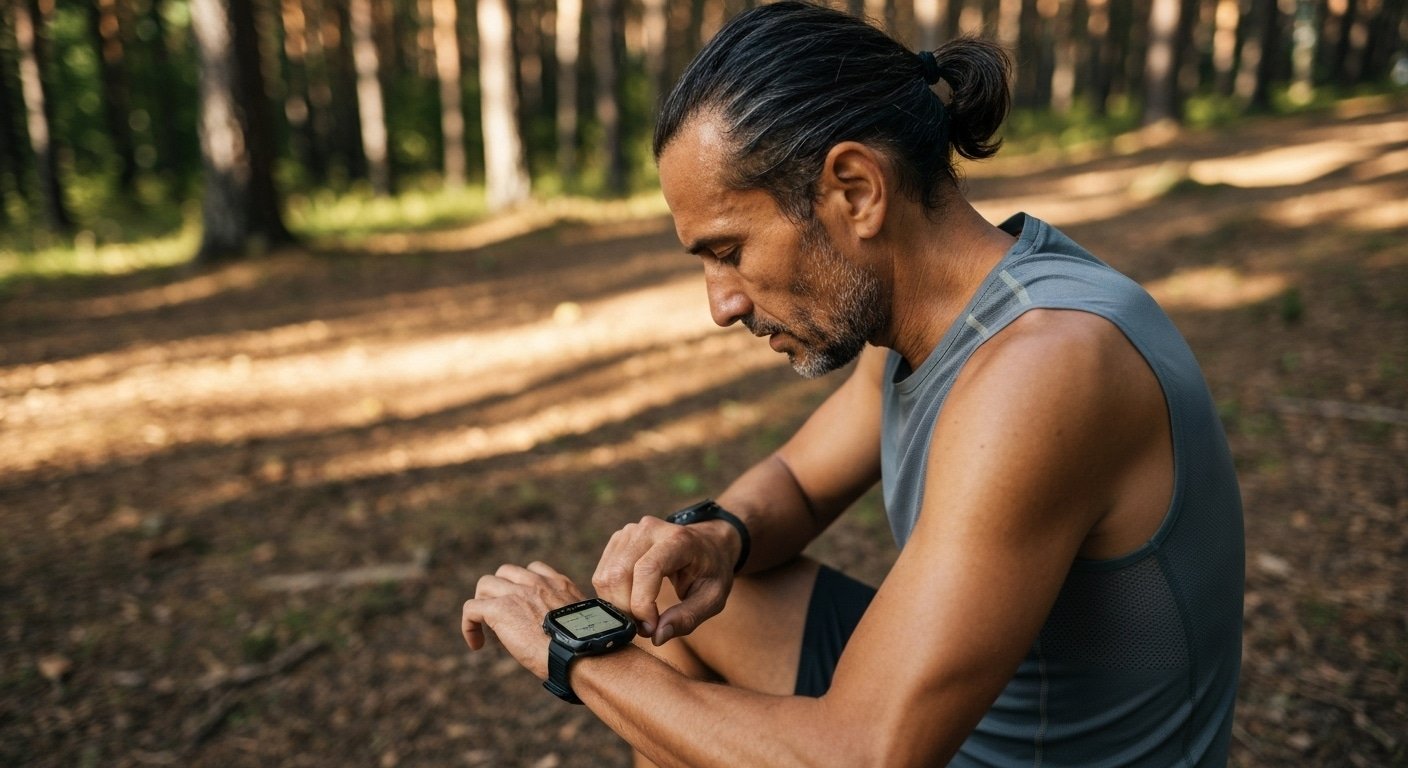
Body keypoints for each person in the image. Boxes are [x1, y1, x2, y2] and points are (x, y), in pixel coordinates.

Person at [461, 3, 1244, 765]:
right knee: (681, 615)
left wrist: (578, 651)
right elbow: (799, 484)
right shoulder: (938, 315)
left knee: (657, 674)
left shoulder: (1045, 368)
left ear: (857, 191)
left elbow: (865, 756)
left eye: (729, 250)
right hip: (981, 722)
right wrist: (716, 537)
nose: (721, 304)